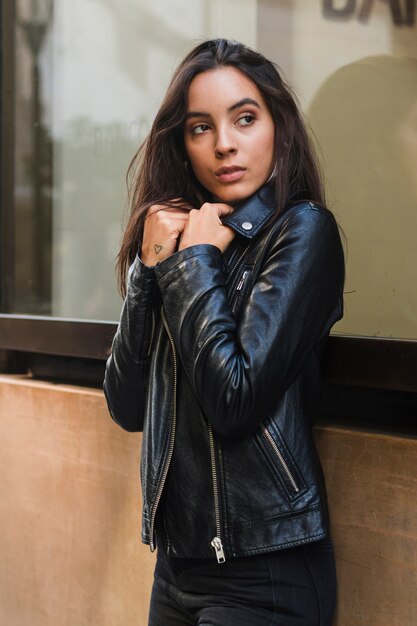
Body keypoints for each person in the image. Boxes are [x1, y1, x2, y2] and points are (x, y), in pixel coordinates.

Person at [104, 38, 344, 626]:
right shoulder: (190, 245)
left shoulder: (303, 232)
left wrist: (192, 267)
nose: (225, 144)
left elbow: (234, 399)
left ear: (277, 128)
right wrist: (148, 271)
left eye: (244, 118)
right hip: (178, 566)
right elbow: (127, 405)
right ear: (182, 146)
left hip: (265, 572)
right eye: (199, 128)